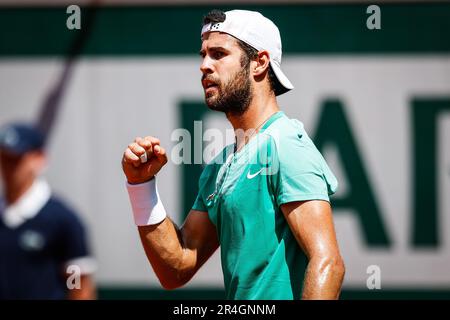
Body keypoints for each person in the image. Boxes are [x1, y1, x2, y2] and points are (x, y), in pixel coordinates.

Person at [122, 9, 345, 300]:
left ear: (259, 63)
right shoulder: (220, 166)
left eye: (218, 54)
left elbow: (328, 262)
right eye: (202, 54)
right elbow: (176, 267)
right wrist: (141, 186)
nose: (204, 65)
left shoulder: (286, 144)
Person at [0, 123, 96, 299]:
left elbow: (77, 286)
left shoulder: (63, 220)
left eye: (17, 159)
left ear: (39, 158)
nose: (10, 167)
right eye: (5, 158)